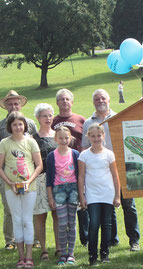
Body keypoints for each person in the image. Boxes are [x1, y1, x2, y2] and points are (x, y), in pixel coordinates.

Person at [82, 89, 140, 251]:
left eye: (103, 98)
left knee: (128, 204)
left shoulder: (119, 118)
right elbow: (84, 148)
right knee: (109, 205)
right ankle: (112, 239)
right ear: (93, 102)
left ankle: (134, 240)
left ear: (109, 100)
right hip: (100, 170)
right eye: (97, 99)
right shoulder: (88, 123)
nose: (100, 101)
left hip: (122, 167)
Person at [0, 111, 43, 269]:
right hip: (11, 187)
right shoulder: (4, 143)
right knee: (17, 220)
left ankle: (29, 256)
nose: (18, 127)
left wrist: (29, 181)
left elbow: (39, 165)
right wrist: (10, 183)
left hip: (30, 187)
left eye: (20, 124)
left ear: (25, 125)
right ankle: (20, 257)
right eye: (14, 124)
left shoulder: (31, 142)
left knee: (27, 220)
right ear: (10, 126)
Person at [0, 90, 37, 250]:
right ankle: (10, 240)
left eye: (16, 103)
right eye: (10, 103)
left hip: (28, 176)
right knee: (9, 210)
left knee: (30, 210)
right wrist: (6, 178)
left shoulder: (30, 123)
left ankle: (34, 239)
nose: (13, 106)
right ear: (5, 106)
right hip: (8, 176)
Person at [78, 123, 121, 265]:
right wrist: (82, 195)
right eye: (93, 136)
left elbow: (115, 176)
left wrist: (117, 195)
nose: (96, 138)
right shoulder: (84, 155)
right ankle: (92, 255)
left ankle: (105, 254)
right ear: (88, 137)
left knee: (107, 224)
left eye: (99, 135)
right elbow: (81, 177)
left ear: (103, 136)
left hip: (107, 193)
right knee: (94, 223)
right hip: (92, 194)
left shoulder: (109, 154)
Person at [51, 88, 88, 247]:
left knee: (81, 203)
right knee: (64, 212)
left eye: (67, 99)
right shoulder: (53, 121)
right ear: (57, 103)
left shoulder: (81, 119)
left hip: (78, 165)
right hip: (60, 170)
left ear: (72, 102)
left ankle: (85, 238)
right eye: (61, 99)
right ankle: (63, 245)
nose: (65, 102)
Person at [46, 127, 80, 265]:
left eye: (66, 138)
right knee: (62, 223)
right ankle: (62, 253)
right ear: (55, 139)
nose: (64, 140)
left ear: (70, 138)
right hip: (58, 191)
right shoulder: (51, 156)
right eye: (60, 138)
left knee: (72, 223)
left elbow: (80, 175)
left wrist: (81, 194)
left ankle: (70, 254)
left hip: (73, 190)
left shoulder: (75, 154)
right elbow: (49, 179)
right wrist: (50, 197)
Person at [32, 103, 59, 261]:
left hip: (58, 180)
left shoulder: (58, 135)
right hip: (40, 180)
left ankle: (59, 248)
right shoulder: (33, 138)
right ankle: (43, 250)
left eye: (50, 115)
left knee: (58, 215)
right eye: (44, 116)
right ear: (37, 118)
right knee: (40, 216)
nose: (48, 118)